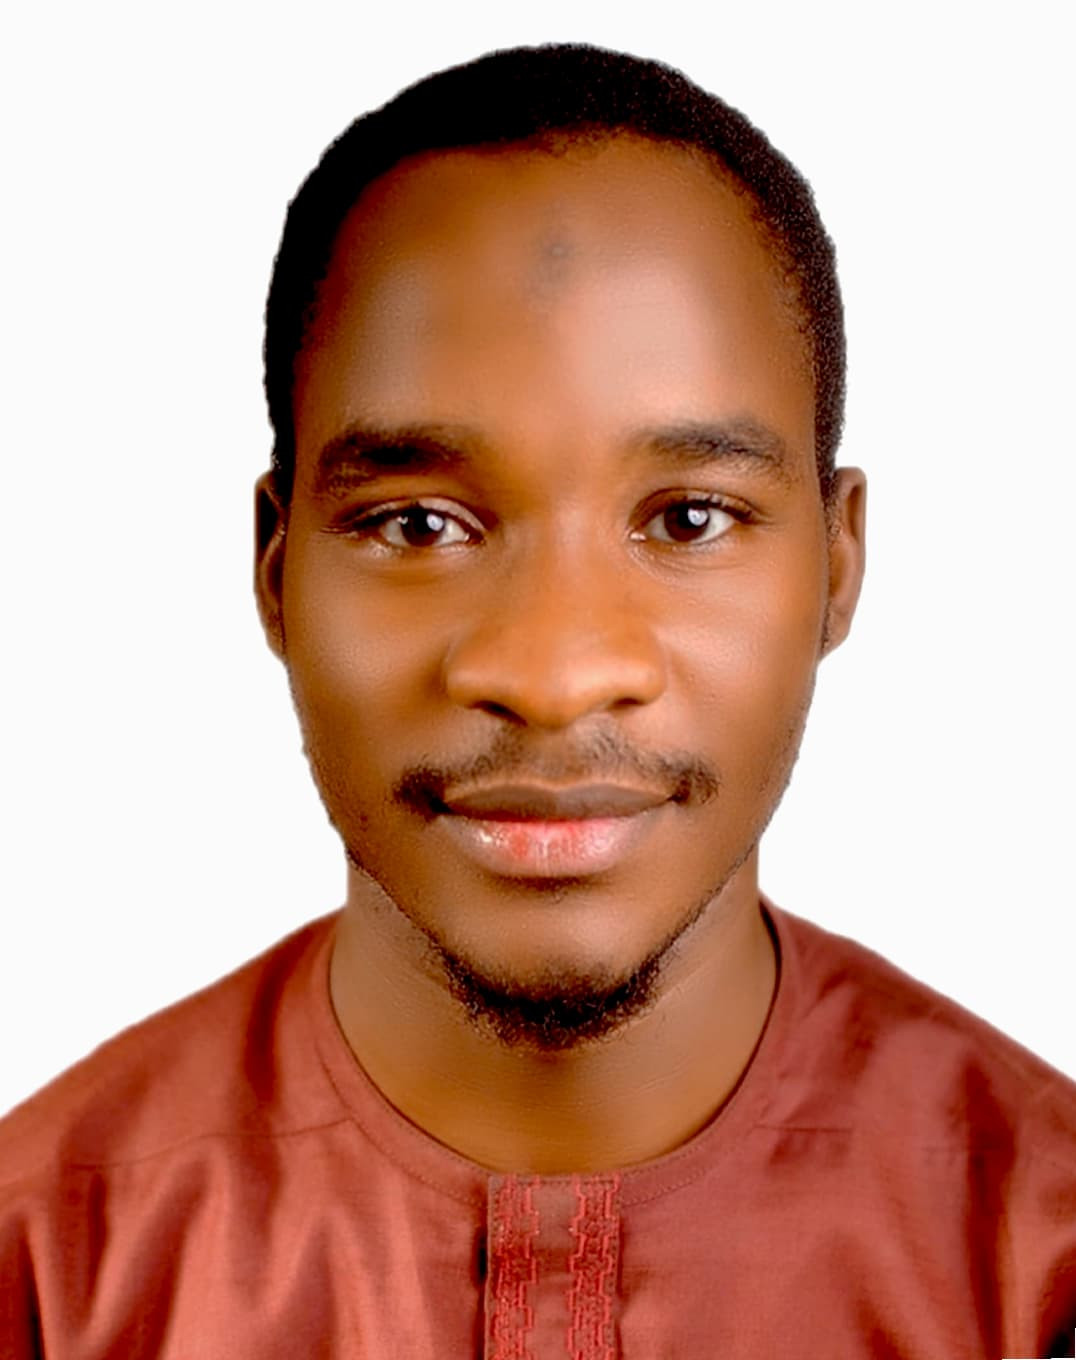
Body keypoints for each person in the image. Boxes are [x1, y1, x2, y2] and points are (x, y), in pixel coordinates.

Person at [1, 41, 1073, 1359]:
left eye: (688, 518)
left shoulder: (1042, 1267)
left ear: (839, 567)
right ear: (275, 574)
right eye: (418, 523)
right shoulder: (45, 1275)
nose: (555, 675)